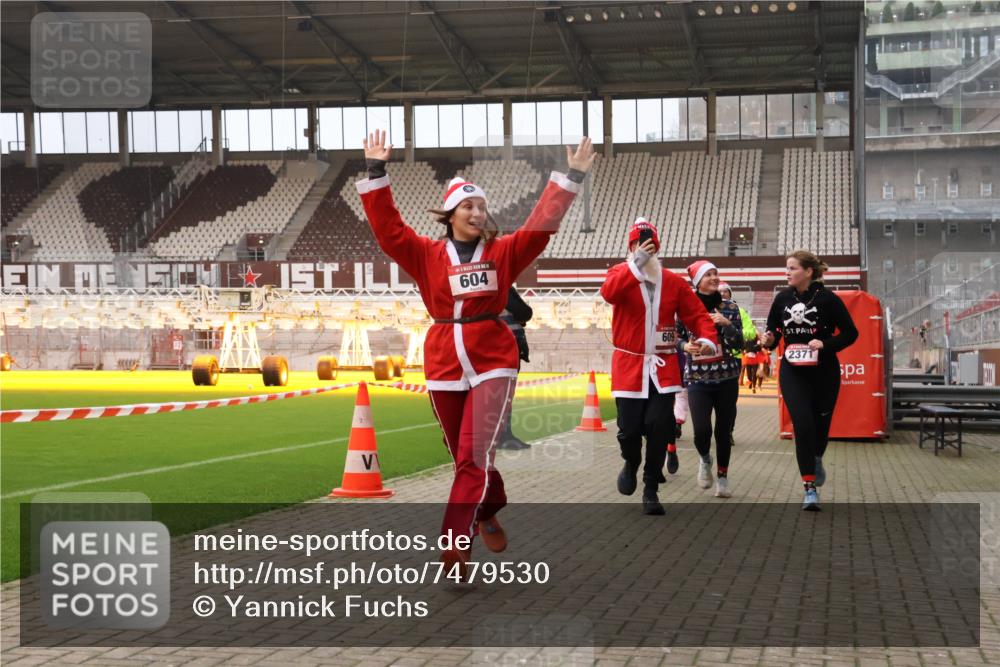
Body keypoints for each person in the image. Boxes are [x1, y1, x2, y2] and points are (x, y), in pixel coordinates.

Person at [357, 129, 596, 573]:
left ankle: (454, 545)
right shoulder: (425, 253)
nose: (477, 211)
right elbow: (389, 232)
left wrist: (573, 175)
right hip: (444, 358)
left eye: (481, 205)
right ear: (449, 214)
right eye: (467, 205)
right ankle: (489, 506)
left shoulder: (503, 251)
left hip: (492, 360)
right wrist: (376, 171)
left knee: (472, 455)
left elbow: (540, 227)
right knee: (463, 457)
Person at [600, 218, 718, 515]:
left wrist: (707, 338)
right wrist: (636, 263)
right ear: (630, 248)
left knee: (658, 428)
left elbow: (697, 315)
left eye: (650, 247)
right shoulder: (620, 273)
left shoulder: (674, 282)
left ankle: (651, 487)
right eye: (639, 247)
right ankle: (630, 462)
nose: (645, 251)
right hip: (629, 366)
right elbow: (609, 293)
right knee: (628, 430)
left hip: (663, 368)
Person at [761, 250, 858, 511]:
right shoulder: (782, 298)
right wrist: (769, 340)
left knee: (821, 425)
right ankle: (809, 488)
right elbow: (773, 330)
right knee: (802, 425)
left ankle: (816, 458)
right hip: (793, 371)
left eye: (792, 268)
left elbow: (851, 333)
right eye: (787, 268)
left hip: (824, 371)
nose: (787, 272)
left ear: (808, 271)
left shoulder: (828, 299)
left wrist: (825, 344)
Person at [676, 260, 743, 498]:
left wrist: (726, 325)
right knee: (701, 431)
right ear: (697, 281)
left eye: (716, 273)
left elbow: (739, 344)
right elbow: (676, 337)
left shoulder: (730, 308)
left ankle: (723, 478)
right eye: (708, 275)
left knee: (723, 432)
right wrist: (685, 346)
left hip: (727, 378)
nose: (714, 278)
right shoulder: (685, 308)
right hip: (697, 379)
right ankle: (705, 460)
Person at [498, 286, 532, 451]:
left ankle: (498, 436)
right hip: (505, 345)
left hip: (493, 344)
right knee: (505, 395)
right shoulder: (501, 285)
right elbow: (524, 312)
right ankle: (504, 436)